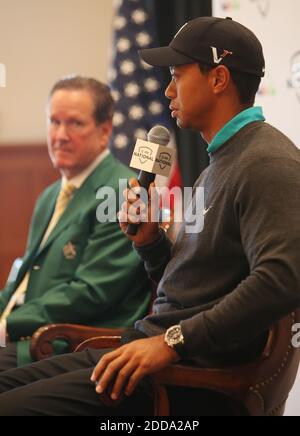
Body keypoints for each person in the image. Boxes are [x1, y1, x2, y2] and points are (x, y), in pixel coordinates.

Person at [0, 16, 299, 416]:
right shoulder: (221, 162)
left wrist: (173, 341)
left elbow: (282, 278)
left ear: (219, 79)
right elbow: (190, 290)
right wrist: (151, 244)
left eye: (177, 75)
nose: (167, 89)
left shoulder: (266, 161)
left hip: (185, 379)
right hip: (146, 353)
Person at [0, 76, 149, 370]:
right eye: (54, 122)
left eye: (75, 124)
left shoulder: (120, 192)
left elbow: (92, 292)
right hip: (31, 333)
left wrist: (8, 324)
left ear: (105, 131)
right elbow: (22, 278)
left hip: (73, 343)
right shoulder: (50, 195)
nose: (60, 135)